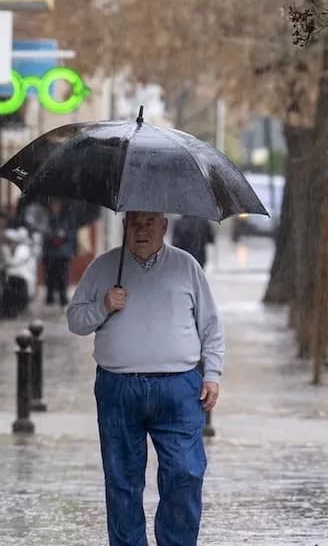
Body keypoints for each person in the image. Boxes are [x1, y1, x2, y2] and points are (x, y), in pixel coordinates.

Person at [67, 211, 224, 546]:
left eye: (150, 222)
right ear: (125, 225)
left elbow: (211, 327)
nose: (142, 229)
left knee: (185, 473)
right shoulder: (104, 267)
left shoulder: (187, 267)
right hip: (118, 388)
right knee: (122, 481)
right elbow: (76, 320)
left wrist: (212, 374)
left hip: (179, 389)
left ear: (164, 226)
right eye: (135, 222)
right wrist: (103, 305)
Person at [43, 200, 76, 306]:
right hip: (50, 253)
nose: (55, 207)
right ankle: (50, 297)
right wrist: (51, 237)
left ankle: (63, 297)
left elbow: (71, 234)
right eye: (53, 205)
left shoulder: (67, 219)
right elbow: (44, 233)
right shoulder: (47, 219)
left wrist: (63, 237)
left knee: (63, 276)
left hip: (63, 253)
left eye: (57, 205)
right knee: (50, 277)